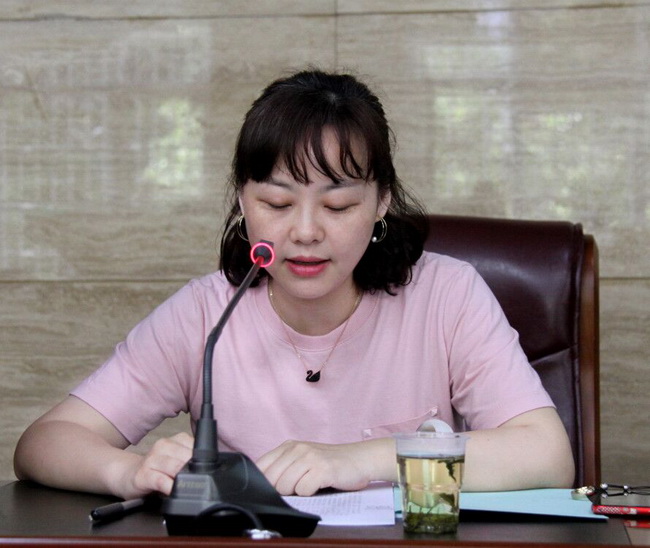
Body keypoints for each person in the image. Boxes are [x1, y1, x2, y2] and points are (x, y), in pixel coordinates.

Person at [14, 69, 575, 500]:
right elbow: (45, 442)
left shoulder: (447, 296)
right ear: (243, 201)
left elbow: (546, 455)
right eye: (278, 204)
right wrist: (131, 471)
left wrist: (359, 459)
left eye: (338, 205)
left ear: (382, 201)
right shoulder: (207, 315)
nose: (306, 232)